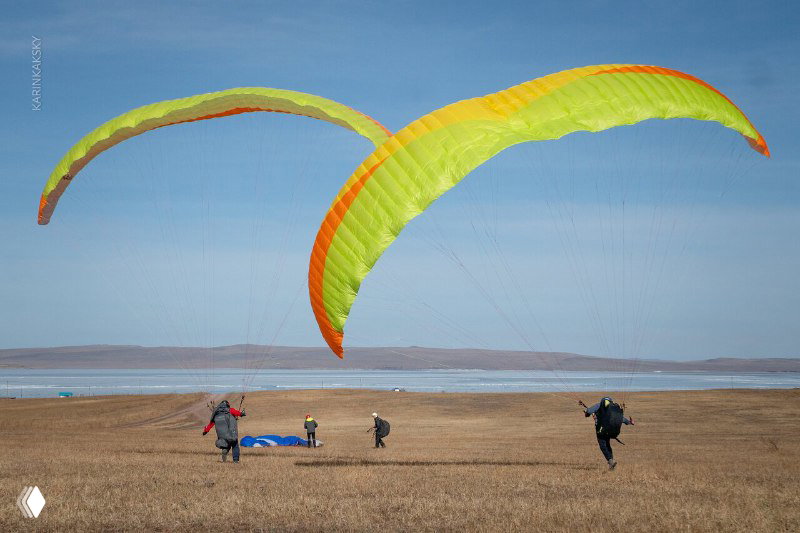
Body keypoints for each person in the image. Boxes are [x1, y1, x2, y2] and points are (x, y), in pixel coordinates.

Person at [581, 397, 634, 470]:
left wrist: (586, 412)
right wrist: (629, 422)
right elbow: (620, 418)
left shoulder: (599, 405)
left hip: (601, 431)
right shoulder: (614, 408)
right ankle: (611, 462)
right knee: (607, 445)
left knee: (603, 446)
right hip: (610, 431)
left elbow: (589, 412)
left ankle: (610, 460)